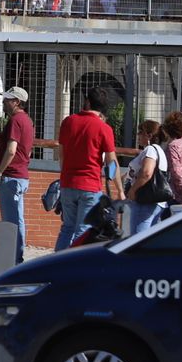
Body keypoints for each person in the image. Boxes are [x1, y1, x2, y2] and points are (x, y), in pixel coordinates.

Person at [55, 85, 123, 250]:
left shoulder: (68, 121)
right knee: (83, 230)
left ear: (87, 102)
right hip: (90, 185)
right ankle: (75, 269)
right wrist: (119, 190)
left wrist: (65, 174)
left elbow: (61, 154)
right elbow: (111, 162)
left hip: (68, 182)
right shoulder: (104, 129)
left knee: (67, 228)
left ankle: (56, 265)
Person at [0, 86, 34, 262]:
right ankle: (17, 255)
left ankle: (14, 258)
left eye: (8, 99)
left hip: (11, 177)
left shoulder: (16, 120)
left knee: (11, 222)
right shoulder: (27, 121)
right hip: (19, 175)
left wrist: (0, 171)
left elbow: (11, 150)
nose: (4, 101)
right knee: (17, 219)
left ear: (17, 102)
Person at [125, 119, 170, 233]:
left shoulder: (150, 150)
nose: (138, 135)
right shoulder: (160, 151)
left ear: (149, 135)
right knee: (146, 240)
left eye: (141, 132)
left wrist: (133, 190)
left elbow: (146, 173)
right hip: (155, 203)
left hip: (144, 202)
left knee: (136, 241)